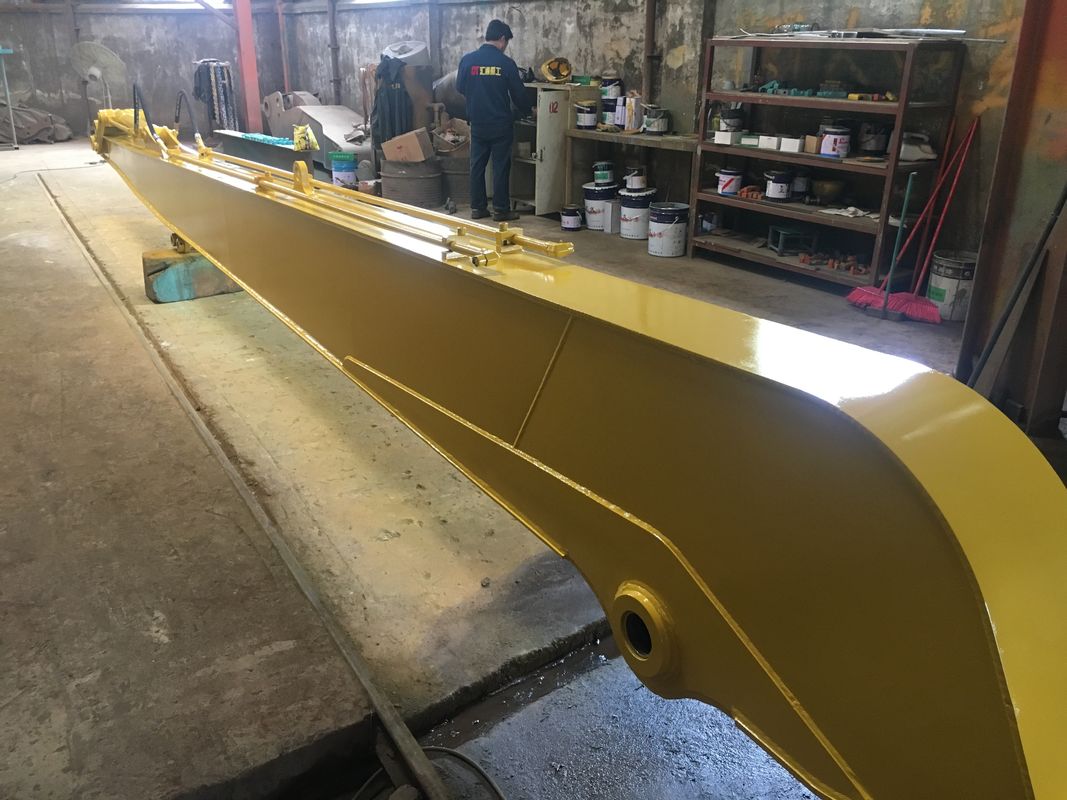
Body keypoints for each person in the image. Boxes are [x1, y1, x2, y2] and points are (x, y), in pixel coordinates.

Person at [456, 19, 532, 221]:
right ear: (502, 39)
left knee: (477, 166)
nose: (505, 46)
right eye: (506, 42)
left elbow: (460, 87)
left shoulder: (468, 60)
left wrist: (477, 96)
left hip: (477, 123)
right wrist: (528, 110)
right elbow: (518, 94)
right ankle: (501, 210)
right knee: (500, 167)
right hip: (500, 125)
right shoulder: (506, 63)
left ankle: (478, 208)